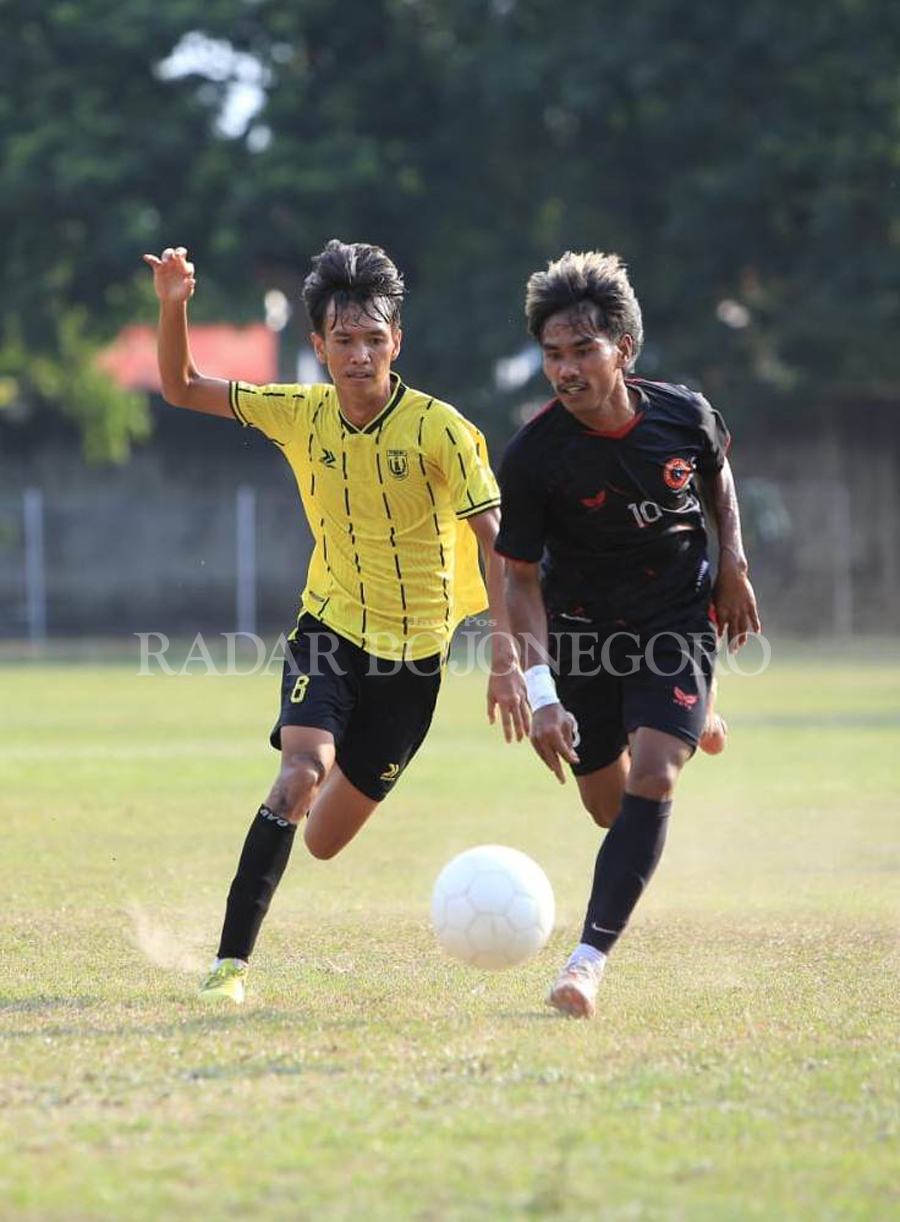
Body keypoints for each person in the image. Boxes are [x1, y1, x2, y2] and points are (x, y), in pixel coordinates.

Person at [143, 240, 528, 1004]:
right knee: (298, 778)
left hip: (414, 664)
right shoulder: (300, 413)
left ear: (397, 342)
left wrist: (508, 657)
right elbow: (183, 386)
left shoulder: (441, 431)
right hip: (329, 632)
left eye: (374, 339)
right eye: (343, 341)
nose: (359, 356)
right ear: (317, 346)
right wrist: (173, 305)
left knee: (322, 840)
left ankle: (324, 781)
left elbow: (501, 549)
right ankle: (229, 968)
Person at [496, 250, 760, 1018]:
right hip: (580, 630)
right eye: (553, 355)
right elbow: (518, 581)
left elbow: (716, 472)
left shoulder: (685, 413)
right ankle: (685, 714)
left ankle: (585, 964)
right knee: (612, 810)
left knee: (655, 776)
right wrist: (542, 696)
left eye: (583, 350)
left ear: (625, 350)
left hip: (676, 613)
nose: (566, 370)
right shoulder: (535, 457)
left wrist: (733, 562)